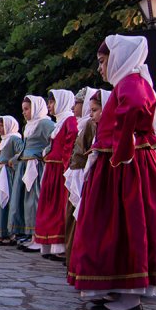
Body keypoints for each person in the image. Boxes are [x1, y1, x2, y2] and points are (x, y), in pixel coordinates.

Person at [68, 36, 156, 310]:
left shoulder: (132, 83)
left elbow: (136, 110)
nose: (101, 69)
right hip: (122, 166)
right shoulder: (127, 83)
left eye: (103, 62)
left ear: (118, 59)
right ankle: (116, 286)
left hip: (127, 169)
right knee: (112, 226)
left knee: (128, 224)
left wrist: (121, 152)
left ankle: (130, 295)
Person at [35, 89, 78, 260]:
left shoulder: (69, 121)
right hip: (52, 169)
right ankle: (49, 245)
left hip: (60, 170)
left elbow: (70, 143)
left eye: (52, 102)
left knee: (58, 208)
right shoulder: (59, 122)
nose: (49, 106)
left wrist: (66, 166)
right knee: (48, 207)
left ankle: (59, 246)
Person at [10, 96, 55, 252]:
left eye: (27, 109)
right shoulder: (29, 125)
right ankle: (31, 235)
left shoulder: (45, 123)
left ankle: (39, 237)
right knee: (26, 202)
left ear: (36, 108)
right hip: (26, 166)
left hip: (36, 167)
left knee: (35, 201)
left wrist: (43, 154)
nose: (24, 112)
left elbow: (55, 140)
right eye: (23, 109)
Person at [62, 88, 100, 261]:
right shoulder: (83, 124)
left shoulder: (90, 125)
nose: (73, 107)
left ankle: (76, 259)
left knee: (77, 218)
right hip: (76, 176)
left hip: (82, 177)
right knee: (71, 217)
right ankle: (72, 259)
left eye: (76, 103)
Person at [0, 116, 23, 245]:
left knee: (7, 202)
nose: (0, 128)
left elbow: (21, 153)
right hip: (2, 174)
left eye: (2, 125)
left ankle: (9, 233)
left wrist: (11, 162)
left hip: (9, 175)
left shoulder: (14, 138)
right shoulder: (4, 140)